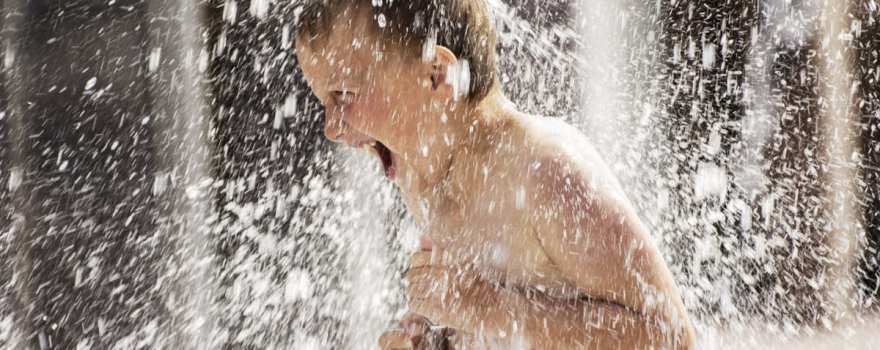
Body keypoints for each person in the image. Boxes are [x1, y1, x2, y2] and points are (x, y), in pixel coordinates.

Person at [294, 0, 695, 348]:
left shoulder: (544, 172)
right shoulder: (420, 173)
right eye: (324, 103)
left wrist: (482, 307)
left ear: (437, 76)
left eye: (343, 95)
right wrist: (442, 337)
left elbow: (670, 336)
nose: (331, 127)